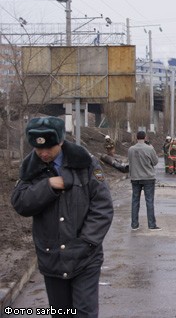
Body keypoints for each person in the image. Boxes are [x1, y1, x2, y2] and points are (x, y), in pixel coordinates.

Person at [11, 116, 114, 317]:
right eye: (38, 149)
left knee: (84, 312)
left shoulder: (86, 164)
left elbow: (102, 207)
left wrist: (86, 242)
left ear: (60, 141)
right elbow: (21, 203)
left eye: (49, 147)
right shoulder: (31, 168)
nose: (43, 153)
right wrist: (47, 186)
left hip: (86, 257)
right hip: (52, 258)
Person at [127, 131, 160, 231]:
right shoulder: (149, 149)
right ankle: (151, 225)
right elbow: (155, 162)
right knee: (149, 201)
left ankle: (134, 225)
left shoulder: (131, 149)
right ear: (145, 137)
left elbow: (130, 162)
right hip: (148, 178)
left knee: (135, 201)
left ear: (136, 138)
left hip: (135, 178)